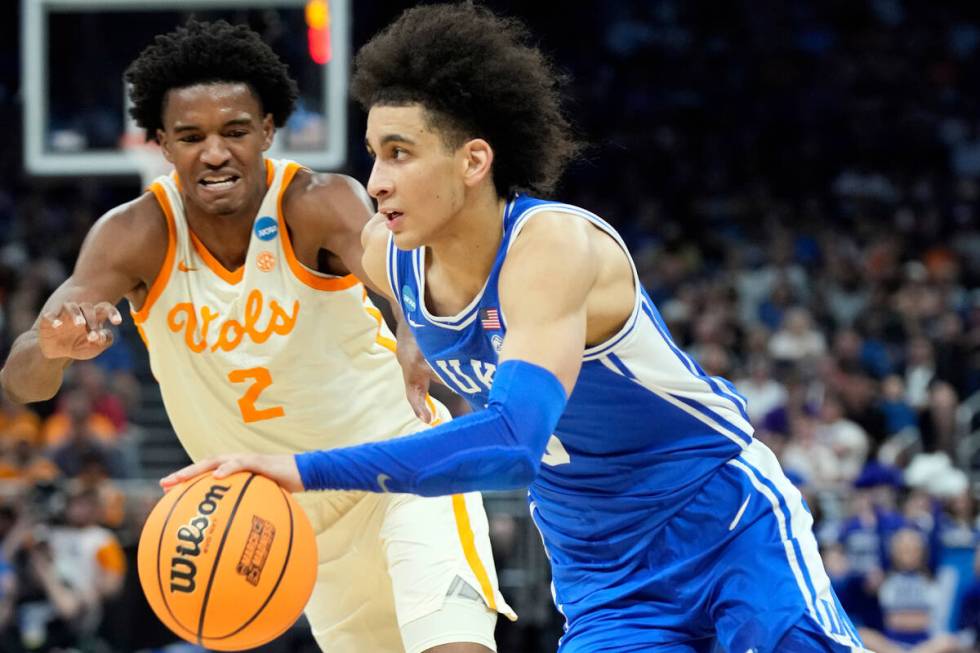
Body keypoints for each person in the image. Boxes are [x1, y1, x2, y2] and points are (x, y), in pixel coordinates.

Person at [164, 5, 869, 652]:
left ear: (473, 160)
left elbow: (512, 442)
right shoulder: (390, 255)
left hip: (720, 520)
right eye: (374, 154)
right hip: (602, 568)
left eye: (400, 153)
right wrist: (408, 334)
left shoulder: (551, 247)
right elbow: (346, 284)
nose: (375, 181)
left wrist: (303, 469)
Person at [0, 20, 512, 653]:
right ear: (160, 143)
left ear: (268, 130)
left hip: (402, 466)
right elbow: (20, 380)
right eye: (190, 136)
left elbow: (399, 269)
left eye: (235, 131)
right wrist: (51, 347)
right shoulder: (133, 234)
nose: (215, 152)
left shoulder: (317, 202)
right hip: (292, 517)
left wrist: (415, 326)